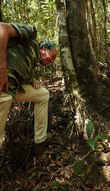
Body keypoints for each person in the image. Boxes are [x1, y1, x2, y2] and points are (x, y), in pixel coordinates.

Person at [0, 22, 57, 157]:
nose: (52, 61)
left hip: (9, 91)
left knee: (43, 94)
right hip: (2, 91)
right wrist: (2, 66)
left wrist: (31, 81)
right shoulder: (31, 35)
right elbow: (2, 28)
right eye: (52, 56)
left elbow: (18, 69)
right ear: (43, 48)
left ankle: (40, 141)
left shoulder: (32, 65)